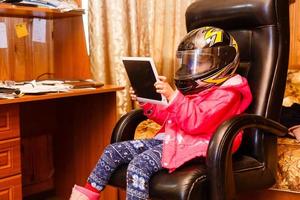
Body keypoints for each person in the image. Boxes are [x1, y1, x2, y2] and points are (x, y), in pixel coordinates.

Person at [69, 26, 252, 200]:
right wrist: (149, 101)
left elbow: (197, 122)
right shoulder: (192, 89)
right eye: (189, 62)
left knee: (139, 165)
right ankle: (86, 195)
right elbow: (171, 118)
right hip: (174, 139)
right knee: (112, 151)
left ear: (222, 61)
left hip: (201, 145)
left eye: (200, 62)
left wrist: (173, 97)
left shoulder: (228, 94)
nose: (192, 68)